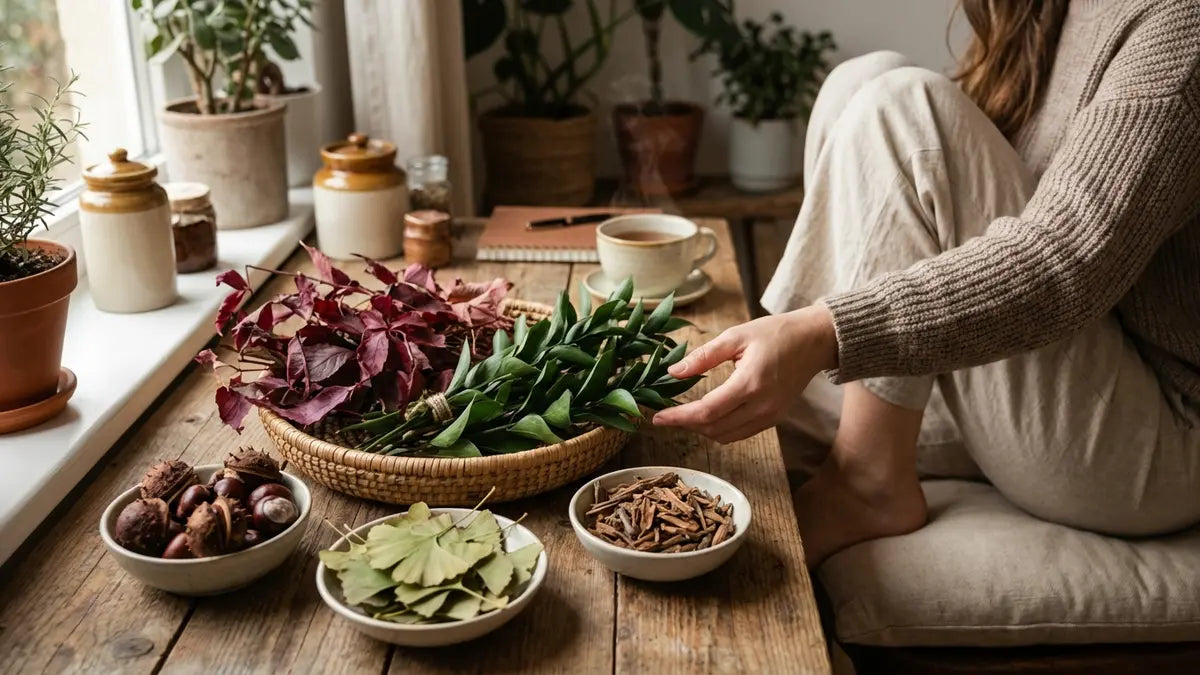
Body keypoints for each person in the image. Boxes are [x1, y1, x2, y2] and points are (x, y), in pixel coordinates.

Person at [652, 0, 1200, 568]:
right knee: (864, 80)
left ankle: (867, 480)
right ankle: (812, 416)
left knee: (904, 106)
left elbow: (1068, 262)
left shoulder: (1182, 28)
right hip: (1057, 381)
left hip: (1154, 438)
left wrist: (826, 331)